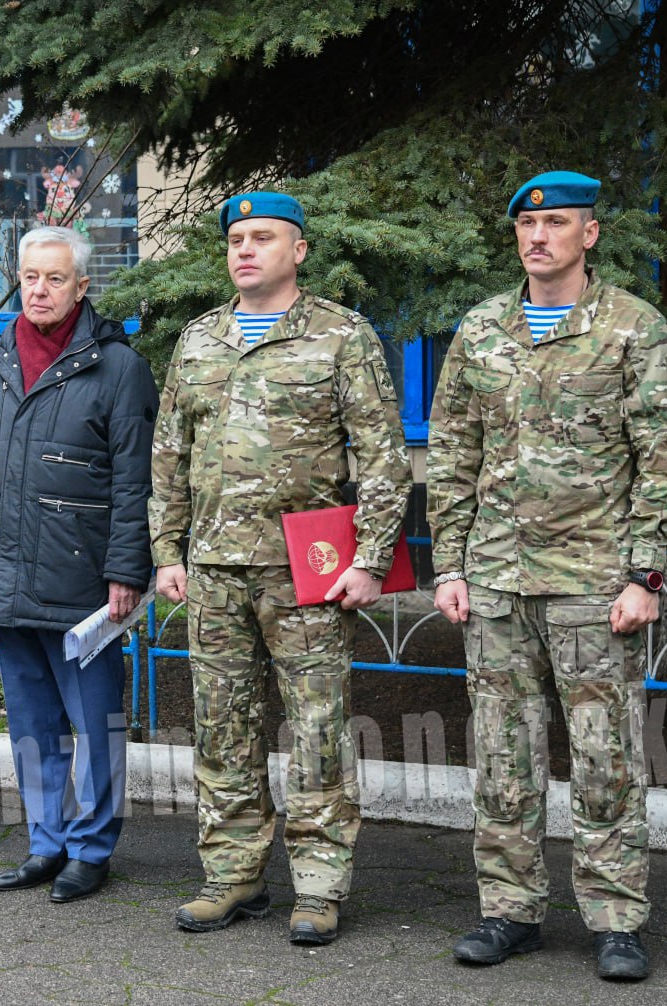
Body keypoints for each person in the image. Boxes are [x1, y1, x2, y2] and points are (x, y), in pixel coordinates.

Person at [428, 171, 667, 981]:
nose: (538, 237)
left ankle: (616, 919)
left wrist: (645, 575)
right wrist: (450, 561)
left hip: (593, 583)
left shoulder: (633, 330)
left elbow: (666, 461)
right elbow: (451, 455)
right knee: (504, 756)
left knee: (605, 754)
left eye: (557, 224)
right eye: (527, 226)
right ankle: (509, 910)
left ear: (591, 234)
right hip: (498, 583)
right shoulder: (482, 331)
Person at [150, 192, 411, 943]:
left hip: (308, 575)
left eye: (263, 237)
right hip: (216, 572)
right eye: (236, 238)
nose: (245, 250)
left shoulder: (340, 337)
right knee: (222, 729)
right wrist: (168, 552)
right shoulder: (200, 340)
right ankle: (232, 877)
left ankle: (321, 886)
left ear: (298, 250)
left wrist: (369, 560)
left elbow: (385, 458)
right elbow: (169, 456)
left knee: (318, 729)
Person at [0, 226, 158, 902]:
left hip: (85, 582)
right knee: (32, 722)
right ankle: (47, 842)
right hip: (6, 573)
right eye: (30, 276)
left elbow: (137, 479)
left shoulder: (116, 367)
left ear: (82, 287)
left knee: (94, 725)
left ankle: (92, 849)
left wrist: (128, 569)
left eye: (55, 278)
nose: (39, 289)